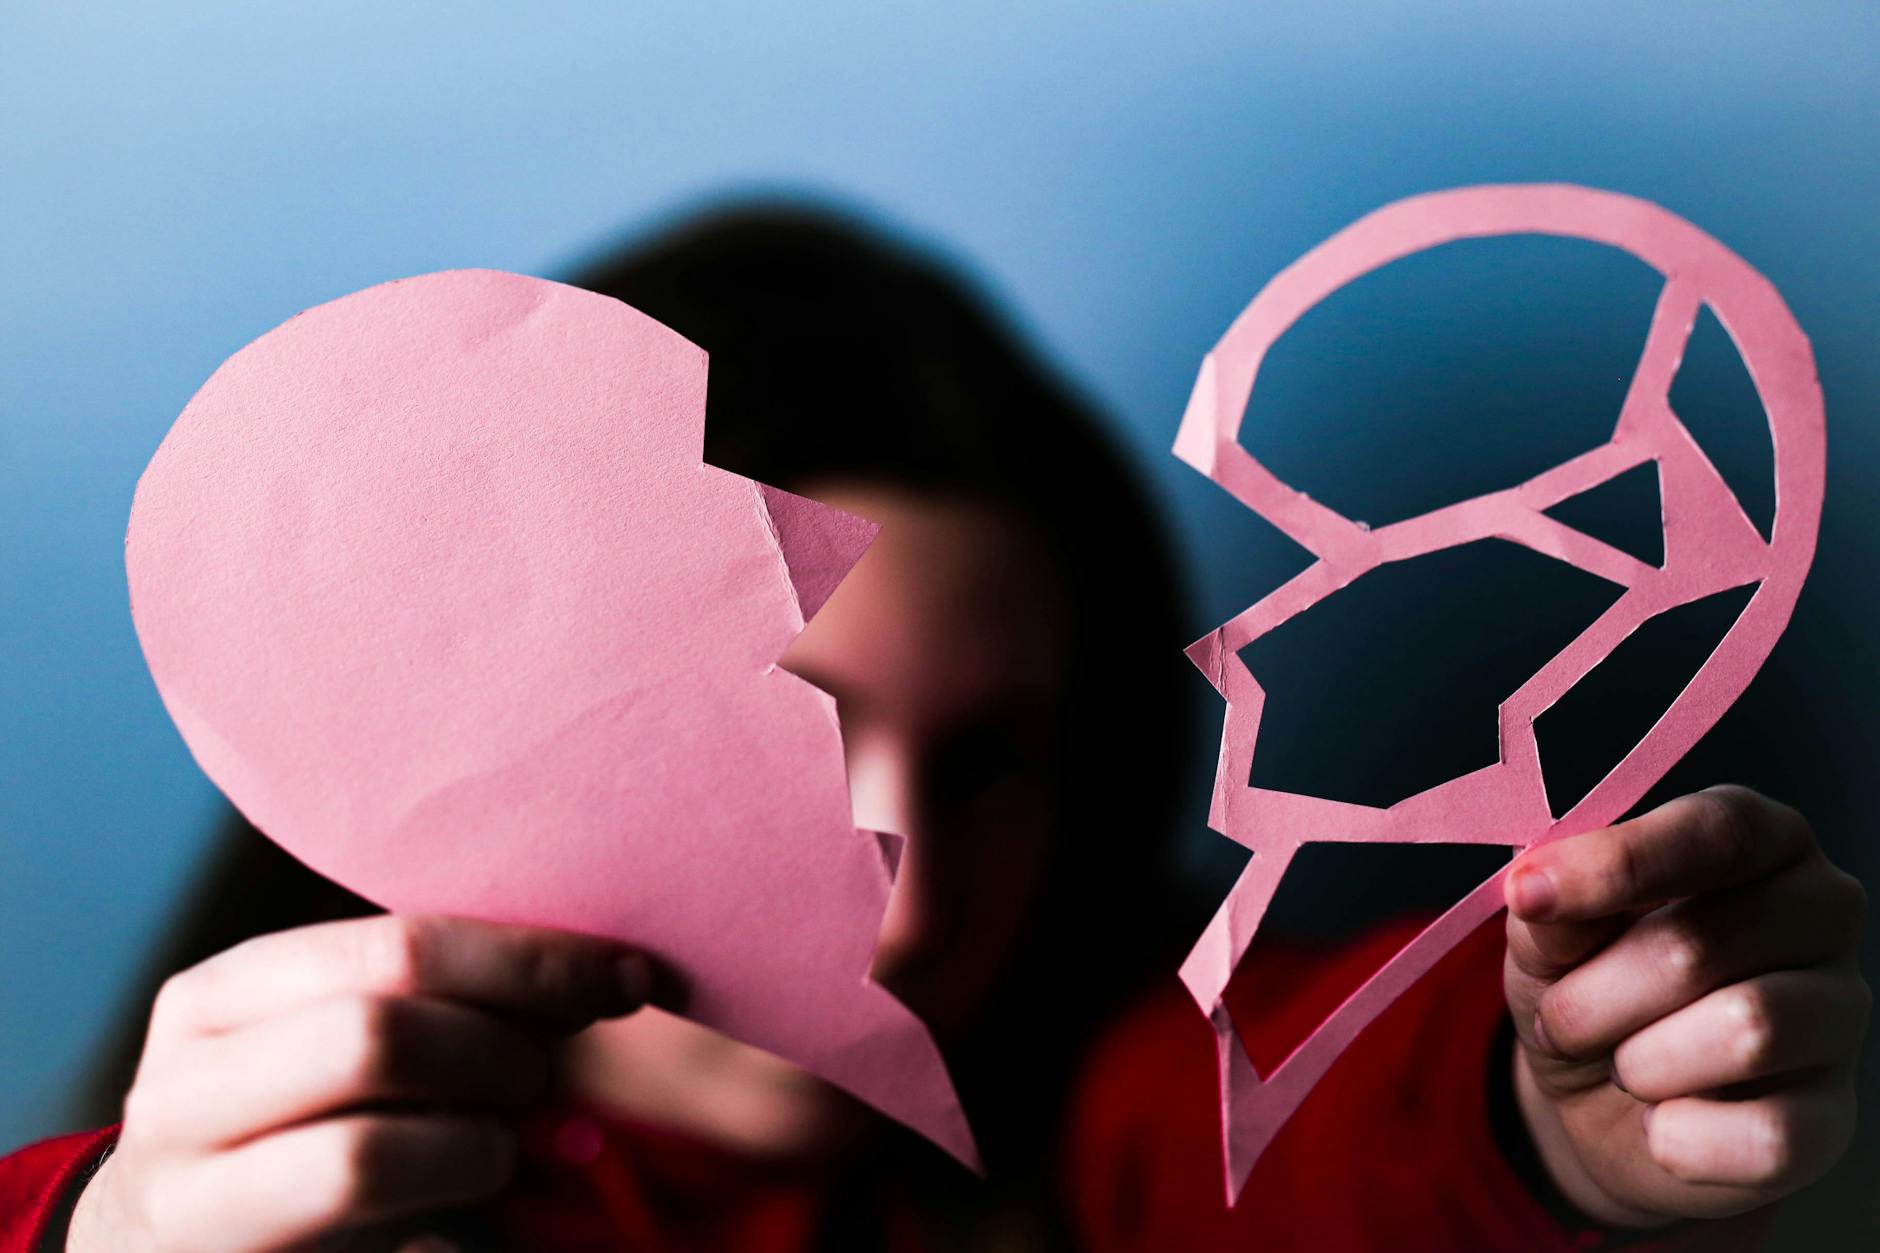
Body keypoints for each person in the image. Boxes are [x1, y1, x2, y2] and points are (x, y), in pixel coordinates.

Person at [2, 207, 1867, 1252]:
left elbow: (1306, 1117)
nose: (895, 911)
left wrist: (1539, 1100)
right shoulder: (230, 1178)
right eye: (769, 734)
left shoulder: (1109, 1108)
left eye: (988, 762)